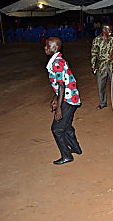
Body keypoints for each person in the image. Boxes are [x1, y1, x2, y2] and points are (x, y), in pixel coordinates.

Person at [44, 37, 82, 165]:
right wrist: (55, 99)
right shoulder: (57, 61)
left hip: (68, 99)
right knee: (66, 126)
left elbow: (61, 86)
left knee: (57, 129)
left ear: (54, 48)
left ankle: (67, 156)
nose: (45, 48)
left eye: (47, 46)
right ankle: (76, 148)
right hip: (70, 97)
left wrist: (59, 108)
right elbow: (61, 84)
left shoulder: (57, 63)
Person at [90, 23, 113, 109]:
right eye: (109, 29)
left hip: (111, 65)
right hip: (101, 66)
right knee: (101, 85)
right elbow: (93, 53)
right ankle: (103, 102)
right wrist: (93, 65)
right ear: (104, 30)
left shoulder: (112, 40)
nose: (111, 31)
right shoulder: (96, 40)